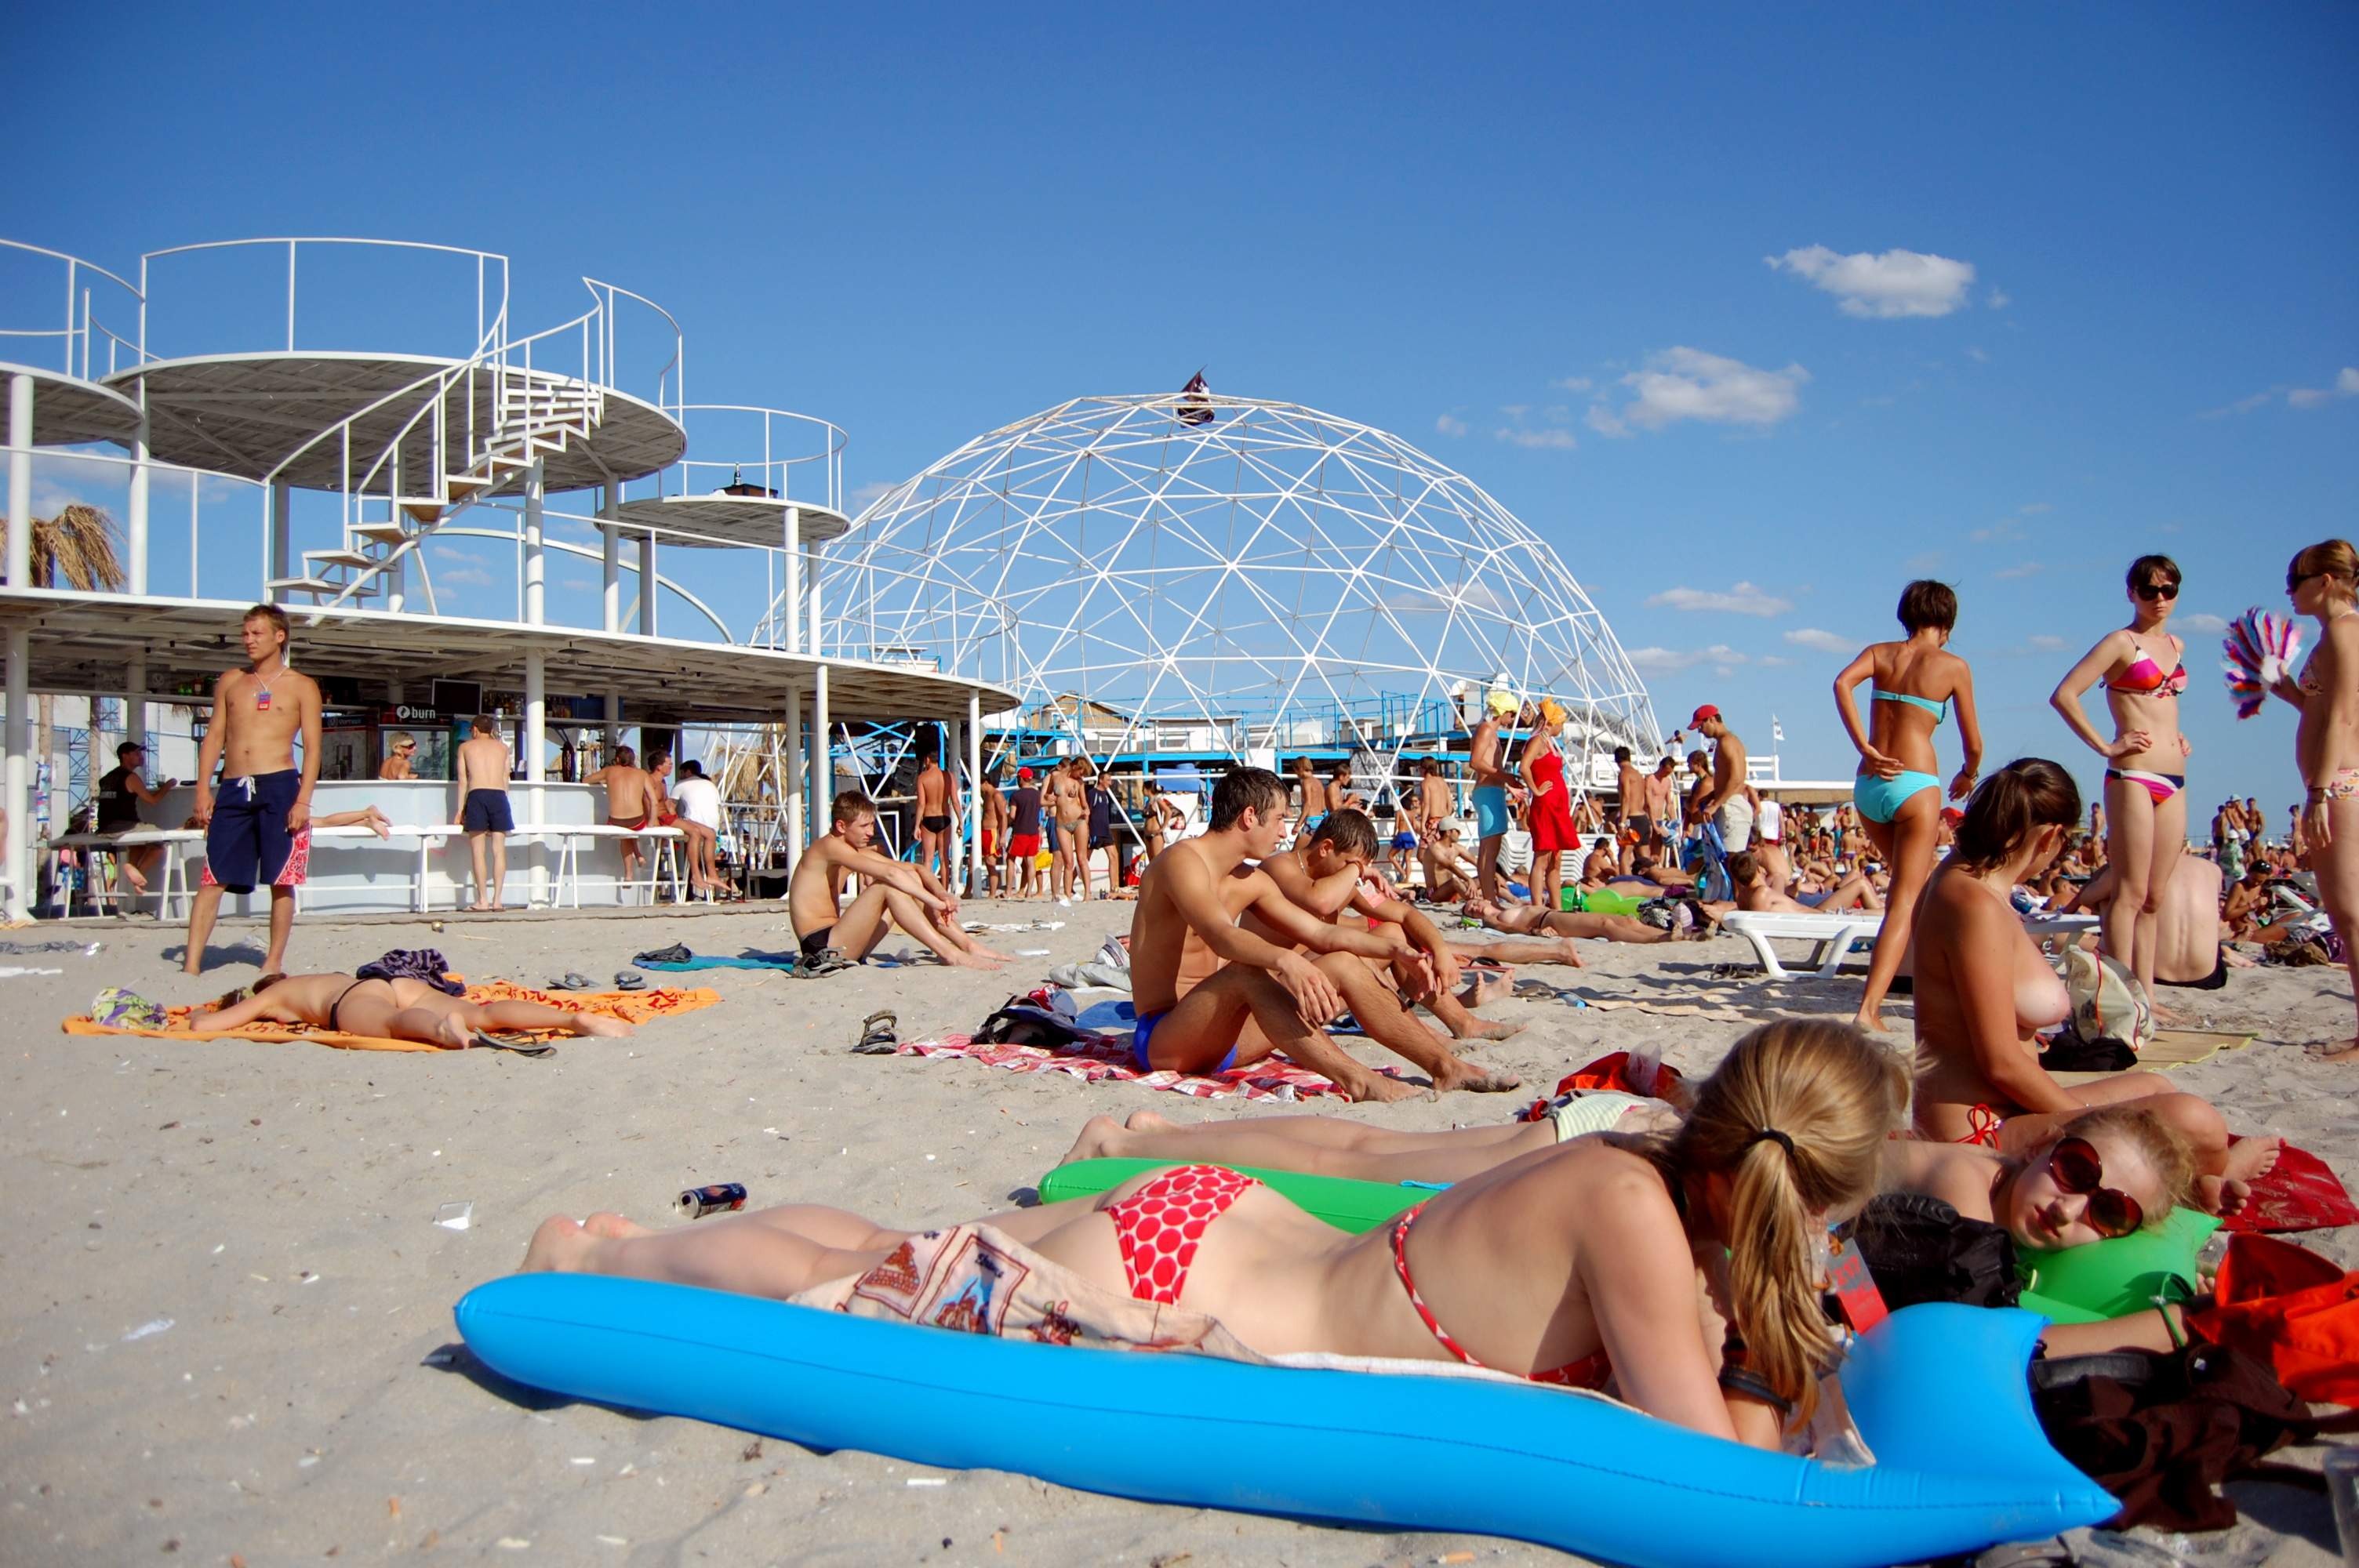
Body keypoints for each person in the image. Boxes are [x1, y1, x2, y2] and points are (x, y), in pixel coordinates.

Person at [522, 1019, 1906, 1449]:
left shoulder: (1635, 1163)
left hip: (1218, 1229)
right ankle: (597, 1262)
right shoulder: (1635, 1216)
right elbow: (1713, 1467)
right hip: (1175, 1278)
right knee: (862, 1283)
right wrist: (1791, 1340)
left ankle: (623, 1241)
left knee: (887, 1245)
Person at [1909, 758, 2276, 1209]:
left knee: (2158, 1088)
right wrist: (2092, 1122)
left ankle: (2202, 1179)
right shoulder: (1973, 904)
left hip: (1998, 1108)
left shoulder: (1963, 880)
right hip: (1980, 1130)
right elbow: (2000, 1063)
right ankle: (2212, 1180)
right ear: (2050, 837)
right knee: (2195, 1121)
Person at [1121, 768, 1435, 1102]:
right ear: (1249, 817)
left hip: (1224, 1036)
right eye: (1279, 819)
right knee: (1245, 972)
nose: (1285, 832)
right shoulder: (1181, 862)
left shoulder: (1249, 879)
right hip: (1166, 1038)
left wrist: (1395, 950)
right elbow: (1221, 935)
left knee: (1342, 961)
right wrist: (1287, 960)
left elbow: (1321, 933)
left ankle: (1444, 1065)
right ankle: (1359, 1081)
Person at [1250, 809, 1525, 1064]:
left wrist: (1439, 950)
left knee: (1394, 932)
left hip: (1316, 987)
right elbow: (1320, 902)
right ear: (1326, 849)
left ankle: (1462, 1022)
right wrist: (1357, 870)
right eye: (1351, 864)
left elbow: (1405, 913)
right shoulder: (1279, 867)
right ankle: (1425, 1034)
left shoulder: (1343, 880)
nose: (1355, 872)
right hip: (1272, 995)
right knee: (1349, 956)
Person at [1832, 580, 1983, 1031]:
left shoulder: (1881, 654)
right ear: (1948, 622)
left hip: (1869, 782)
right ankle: (1869, 1009)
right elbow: (1973, 742)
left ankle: (1927, 979)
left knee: (1912, 892)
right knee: (1904, 900)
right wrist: (1969, 773)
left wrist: (1864, 745)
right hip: (1915, 783)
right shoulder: (1953, 666)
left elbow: (1842, 683)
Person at [2050, 554, 2192, 1002]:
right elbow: (2065, 695)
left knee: (2154, 896)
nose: (2159, 599)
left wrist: (2177, 736)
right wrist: (2106, 745)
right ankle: (2119, 996)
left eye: (2168, 589)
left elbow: (2163, 707)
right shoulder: (2120, 642)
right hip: (2132, 773)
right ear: (2132, 593)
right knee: (2129, 893)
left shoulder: (2176, 644)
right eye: (2149, 590)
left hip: (2174, 775)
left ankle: (2145, 997)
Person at [184, 604, 321, 976]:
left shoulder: (302, 685)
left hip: (280, 785)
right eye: (245, 633)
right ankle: (191, 965)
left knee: (281, 878)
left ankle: (272, 961)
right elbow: (214, 736)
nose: (249, 640)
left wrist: (303, 800)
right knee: (213, 876)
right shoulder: (232, 680)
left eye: (257, 633)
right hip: (233, 786)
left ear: (279, 636)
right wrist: (203, 790)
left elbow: (313, 748)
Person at [2266, 540, 2359, 1058]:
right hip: (2339, 777)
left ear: (2324, 581)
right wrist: (2294, 696)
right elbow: (2327, 713)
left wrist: (2319, 793)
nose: (2289, 592)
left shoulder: (2343, 632)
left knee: (2349, 915)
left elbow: (2343, 718)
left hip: (2340, 782)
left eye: (2295, 581)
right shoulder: (2338, 633)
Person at [789, 790, 1012, 969]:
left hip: (842, 939)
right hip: (821, 947)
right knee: (888, 886)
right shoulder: (828, 847)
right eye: (864, 826)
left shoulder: (851, 852)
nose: (871, 832)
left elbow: (916, 869)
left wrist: (941, 893)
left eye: (872, 825)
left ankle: (967, 945)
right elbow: (890, 875)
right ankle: (950, 954)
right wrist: (935, 903)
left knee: (908, 879)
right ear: (841, 826)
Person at [192, 970, 632, 1047]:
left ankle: (442, 1031)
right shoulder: (316, 976)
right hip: (389, 982)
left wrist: (197, 1016)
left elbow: (208, 1026)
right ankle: (570, 1019)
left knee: (392, 1023)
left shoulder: (273, 996)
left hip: (350, 1003)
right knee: (483, 1013)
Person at [2064, 855, 2223, 988]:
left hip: (2150, 974)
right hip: (2208, 975)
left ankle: (2118, 962)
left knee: (2116, 899)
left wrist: (2105, 874)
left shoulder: (2134, 866)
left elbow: (2086, 898)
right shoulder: (2213, 869)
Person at [95, 740, 176, 900]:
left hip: (104, 827)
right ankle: (137, 872)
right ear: (125, 756)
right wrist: (167, 786)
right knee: (161, 842)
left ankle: (134, 873)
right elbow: (153, 800)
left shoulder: (107, 778)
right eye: (137, 753)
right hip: (124, 826)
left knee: (138, 845)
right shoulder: (131, 777)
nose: (141, 757)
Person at [1520, 698, 1579, 913]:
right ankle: (1537, 907)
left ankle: (1557, 907)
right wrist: (1536, 790)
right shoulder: (1537, 740)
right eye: (1560, 723)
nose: (1562, 727)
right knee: (1542, 857)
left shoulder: (1548, 742)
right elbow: (1524, 767)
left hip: (1557, 805)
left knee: (1556, 859)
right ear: (1551, 723)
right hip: (1546, 804)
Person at [454, 715, 514, 912]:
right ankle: (497, 901)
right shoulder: (503, 748)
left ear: (475, 729)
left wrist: (460, 810)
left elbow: (463, 780)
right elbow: (505, 778)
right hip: (499, 796)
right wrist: (502, 803)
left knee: (478, 851)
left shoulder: (466, 747)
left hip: (477, 795)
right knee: (499, 851)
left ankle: (482, 900)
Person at [584, 744, 656, 897]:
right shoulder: (642, 774)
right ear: (633, 759)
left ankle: (629, 873)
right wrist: (650, 823)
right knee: (629, 831)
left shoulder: (609, 771)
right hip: (637, 820)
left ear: (617, 759)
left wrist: (605, 782)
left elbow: (586, 780)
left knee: (624, 835)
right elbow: (654, 801)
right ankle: (637, 856)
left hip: (616, 820)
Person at [1468, 689, 1517, 903]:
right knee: (1489, 850)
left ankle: (1489, 897)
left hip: (1492, 791)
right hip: (1488, 791)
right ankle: (1489, 899)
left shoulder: (1491, 732)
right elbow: (1475, 761)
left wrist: (1507, 782)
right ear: (1503, 711)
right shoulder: (1486, 729)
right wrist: (1505, 777)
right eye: (1511, 713)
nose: (1512, 718)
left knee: (1490, 849)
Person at [1687, 706, 1751, 862]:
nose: (1700, 731)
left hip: (1732, 808)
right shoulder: (1728, 741)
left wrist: (1716, 804)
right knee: (1725, 863)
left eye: (1701, 726)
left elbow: (1736, 778)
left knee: (1732, 862)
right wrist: (1712, 796)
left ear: (1711, 719)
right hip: (1729, 804)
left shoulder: (1726, 741)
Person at [1728, 851, 1881, 916]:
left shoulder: (1743, 897)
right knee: (1861, 884)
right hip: (1820, 917)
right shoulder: (1762, 894)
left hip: (1814, 916)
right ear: (1758, 868)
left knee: (1879, 909)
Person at [672, 760, 727, 896]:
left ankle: (694, 878)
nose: (679, 776)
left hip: (694, 823)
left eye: (681, 772)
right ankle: (711, 874)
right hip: (713, 827)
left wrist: (675, 820)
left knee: (692, 834)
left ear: (688, 772)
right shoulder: (710, 785)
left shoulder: (681, 784)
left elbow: (670, 807)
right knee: (709, 835)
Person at [913, 738, 958, 891]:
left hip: (929, 819)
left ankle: (928, 890)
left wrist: (917, 826)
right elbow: (955, 801)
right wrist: (960, 821)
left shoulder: (923, 778)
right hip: (945, 818)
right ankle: (944, 890)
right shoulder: (949, 776)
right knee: (944, 858)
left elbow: (921, 803)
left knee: (928, 860)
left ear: (927, 760)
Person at [1051, 759, 1087, 905]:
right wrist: (1051, 799)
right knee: (1068, 861)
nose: (1081, 776)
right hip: (1061, 822)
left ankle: (1087, 893)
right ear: (1074, 766)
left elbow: (1084, 804)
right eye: (1080, 772)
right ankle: (1067, 894)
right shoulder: (1055, 777)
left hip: (1078, 821)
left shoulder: (1079, 782)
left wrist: (1087, 811)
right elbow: (1045, 797)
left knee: (1082, 859)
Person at [1083, 763, 1122, 900]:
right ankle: (1071, 884)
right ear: (1101, 780)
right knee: (1084, 859)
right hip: (1094, 831)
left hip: (1106, 831)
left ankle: (1114, 887)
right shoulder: (1092, 793)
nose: (1110, 783)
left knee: (1114, 856)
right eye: (1108, 780)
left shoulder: (1106, 795)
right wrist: (1087, 831)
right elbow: (1087, 812)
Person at [1007, 767, 1045, 899]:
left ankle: (1008, 891)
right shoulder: (1037, 795)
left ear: (1021, 779)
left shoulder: (1016, 795)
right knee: (1031, 861)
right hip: (1033, 831)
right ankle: (1029, 891)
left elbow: (1012, 815)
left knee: (1011, 859)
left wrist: (1006, 821)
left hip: (1020, 831)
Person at [980, 763, 1009, 897]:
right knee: (973, 861)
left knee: (990, 862)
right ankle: (968, 891)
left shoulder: (996, 795)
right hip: (984, 831)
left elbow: (1003, 816)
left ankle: (992, 893)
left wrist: (1002, 835)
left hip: (992, 832)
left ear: (985, 782)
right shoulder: (986, 795)